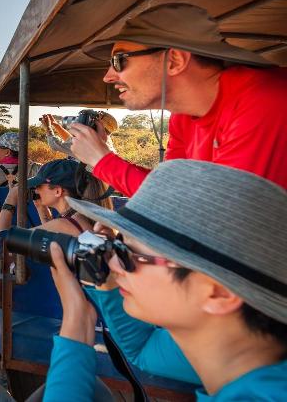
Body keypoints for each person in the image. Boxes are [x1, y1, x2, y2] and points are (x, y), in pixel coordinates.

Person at [42, 160, 287, 401]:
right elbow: (143, 349)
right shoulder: (239, 349)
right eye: (116, 247)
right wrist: (82, 315)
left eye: (129, 254)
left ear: (218, 293)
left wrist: (72, 334)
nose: (113, 264)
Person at [68, 3, 287, 195]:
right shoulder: (183, 117)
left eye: (119, 61)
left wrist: (102, 160)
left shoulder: (263, 101)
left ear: (174, 60)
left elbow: (216, 220)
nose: (108, 76)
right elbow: (172, 192)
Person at [0, 159, 103, 254]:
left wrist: (10, 199)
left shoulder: (64, 224)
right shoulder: (79, 218)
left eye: (40, 186)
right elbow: (53, 236)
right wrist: (41, 208)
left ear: (58, 191)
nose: (36, 190)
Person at [41, 112, 117, 167]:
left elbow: (54, 144)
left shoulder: (89, 145)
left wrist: (48, 127)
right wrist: (56, 125)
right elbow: (70, 140)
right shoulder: (105, 141)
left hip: (86, 185)